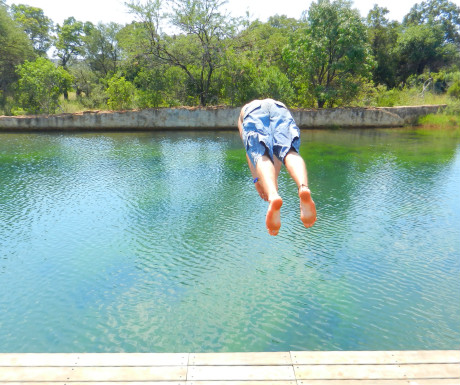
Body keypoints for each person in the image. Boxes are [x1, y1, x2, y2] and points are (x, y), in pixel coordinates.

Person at [238, 98, 317, 236]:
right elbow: (277, 159)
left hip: (252, 112)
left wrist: (259, 182)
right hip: (280, 108)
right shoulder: (274, 103)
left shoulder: (243, 114)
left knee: (260, 155)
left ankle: (274, 196)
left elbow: (251, 156)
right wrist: (273, 181)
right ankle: (303, 187)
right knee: (289, 152)